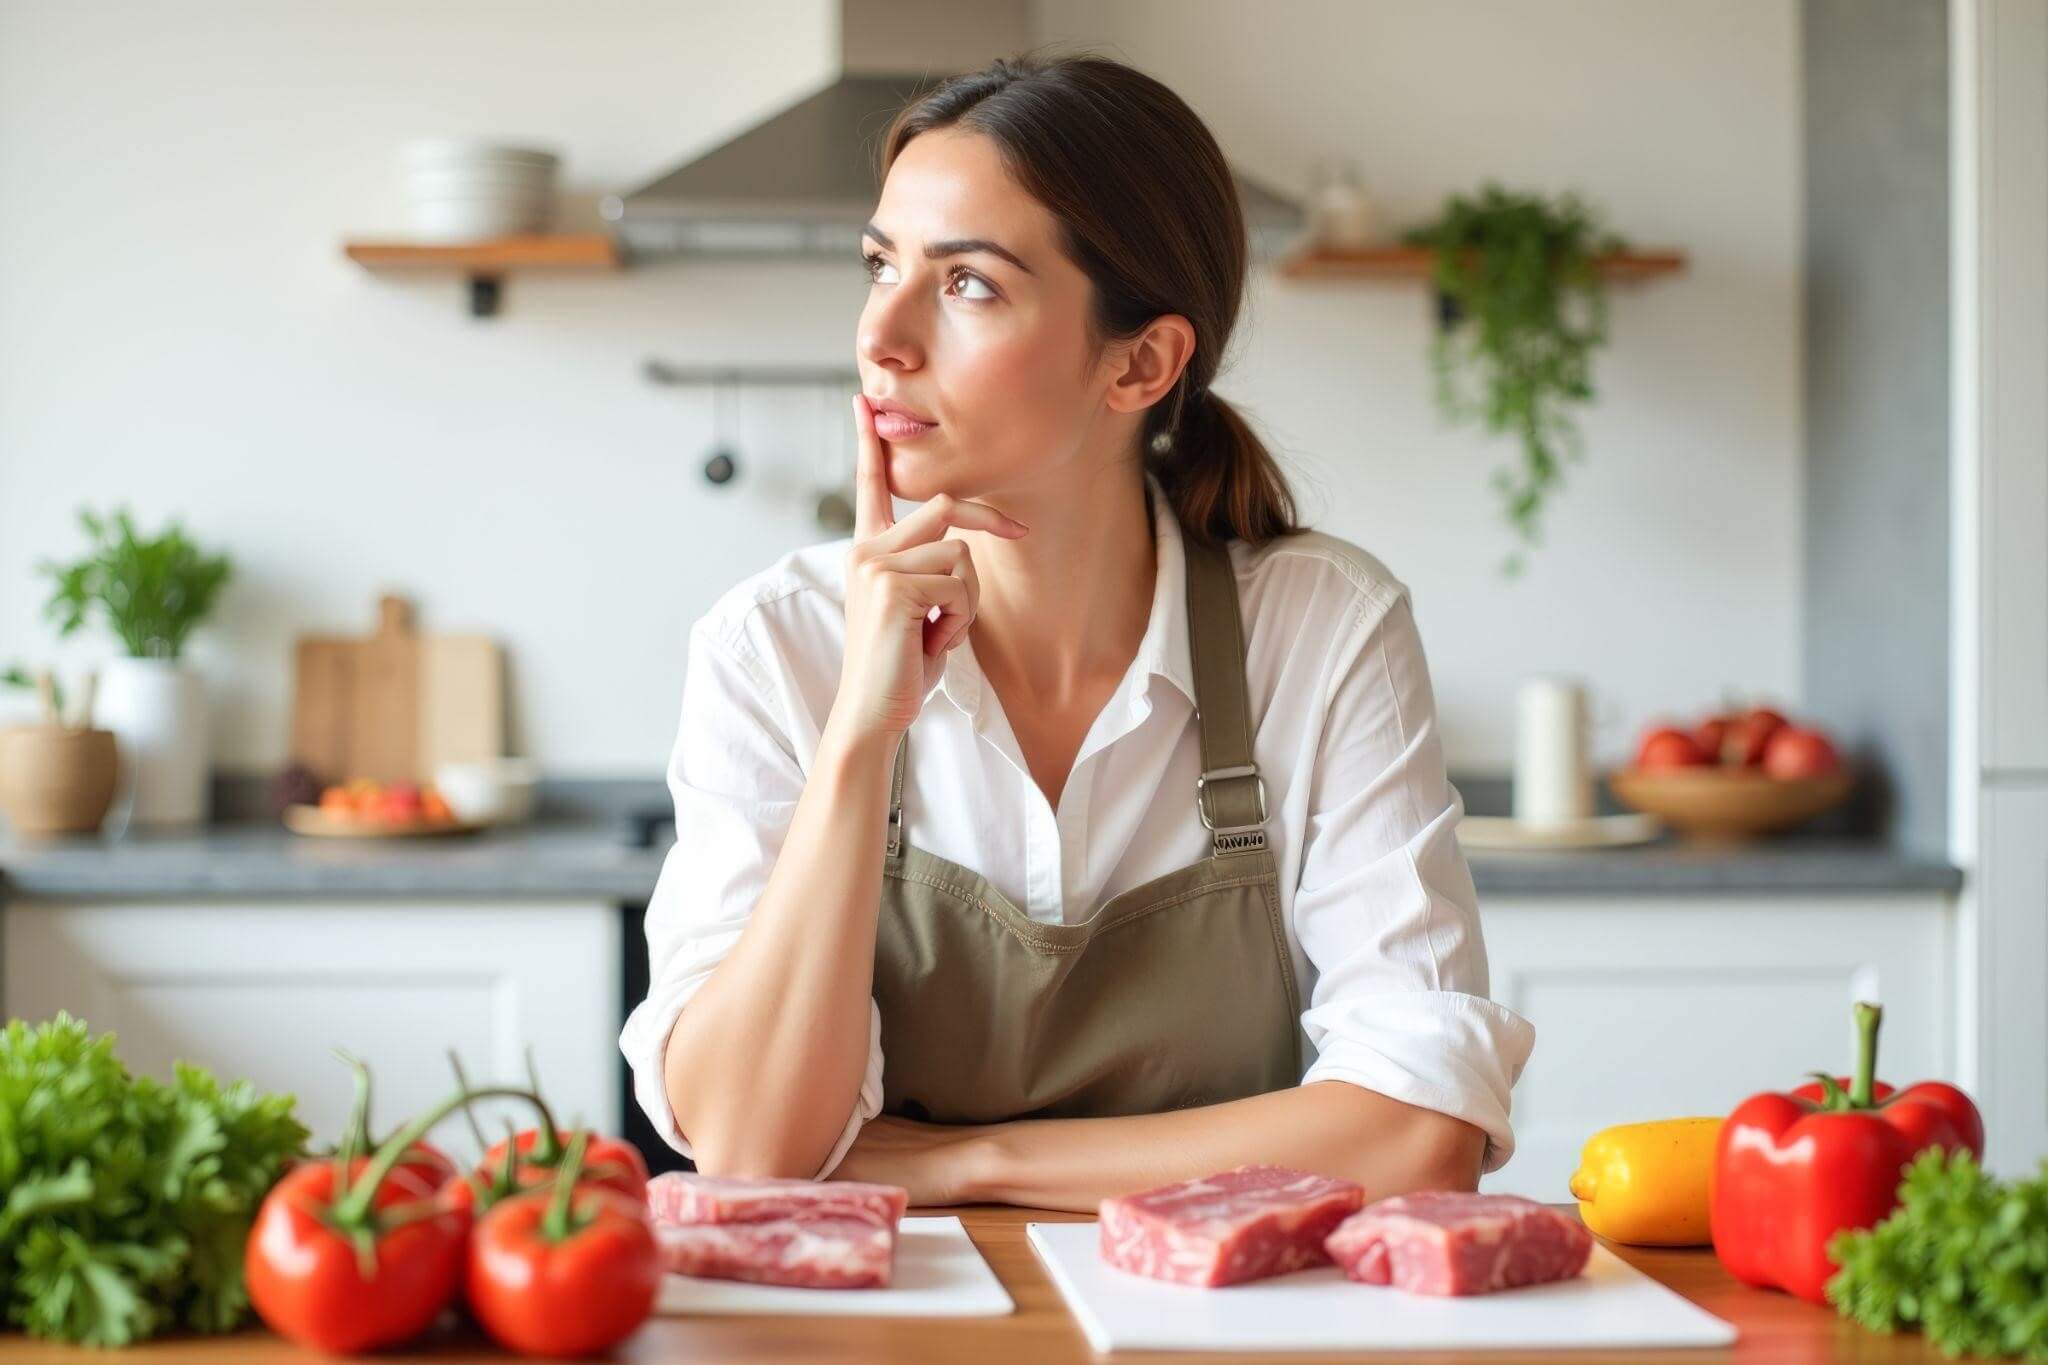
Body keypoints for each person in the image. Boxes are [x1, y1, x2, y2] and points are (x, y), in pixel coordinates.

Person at [619, 50, 1534, 1212]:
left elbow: (1417, 1134)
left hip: (1212, 1322)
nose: (880, 338)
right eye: (879, 265)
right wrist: (860, 731)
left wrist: (970, 1160)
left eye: (967, 286)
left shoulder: (1319, 628)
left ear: (1140, 363)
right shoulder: (773, 644)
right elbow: (752, 1148)